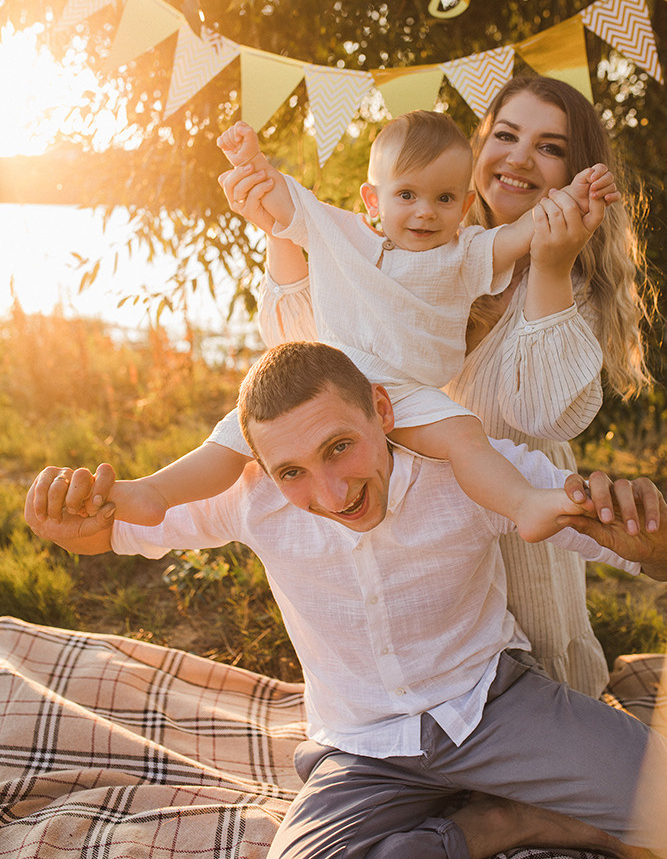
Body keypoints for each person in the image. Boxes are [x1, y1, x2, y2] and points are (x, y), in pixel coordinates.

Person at [24, 342, 667, 859]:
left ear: (380, 412)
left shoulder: (475, 473)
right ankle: (497, 826)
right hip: (362, 748)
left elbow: (634, 548)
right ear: (263, 466)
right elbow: (114, 532)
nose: (332, 493)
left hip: (492, 708)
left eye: (340, 447)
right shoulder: (249, 494)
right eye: (293, 472)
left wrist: (648, 535)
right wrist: (66, 525)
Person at [239, 76, 655, 699]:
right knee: (436, 672)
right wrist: (282, 232)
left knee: (536, 676)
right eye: (506, 135)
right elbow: (306, 346)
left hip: (517, 504)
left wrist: (549, 263)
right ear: (479, 147)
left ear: (574, 173)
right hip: (425, 511)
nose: (518, 156)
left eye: (549, 147)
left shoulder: (567, 282)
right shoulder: (416, 247)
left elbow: (542, 414)